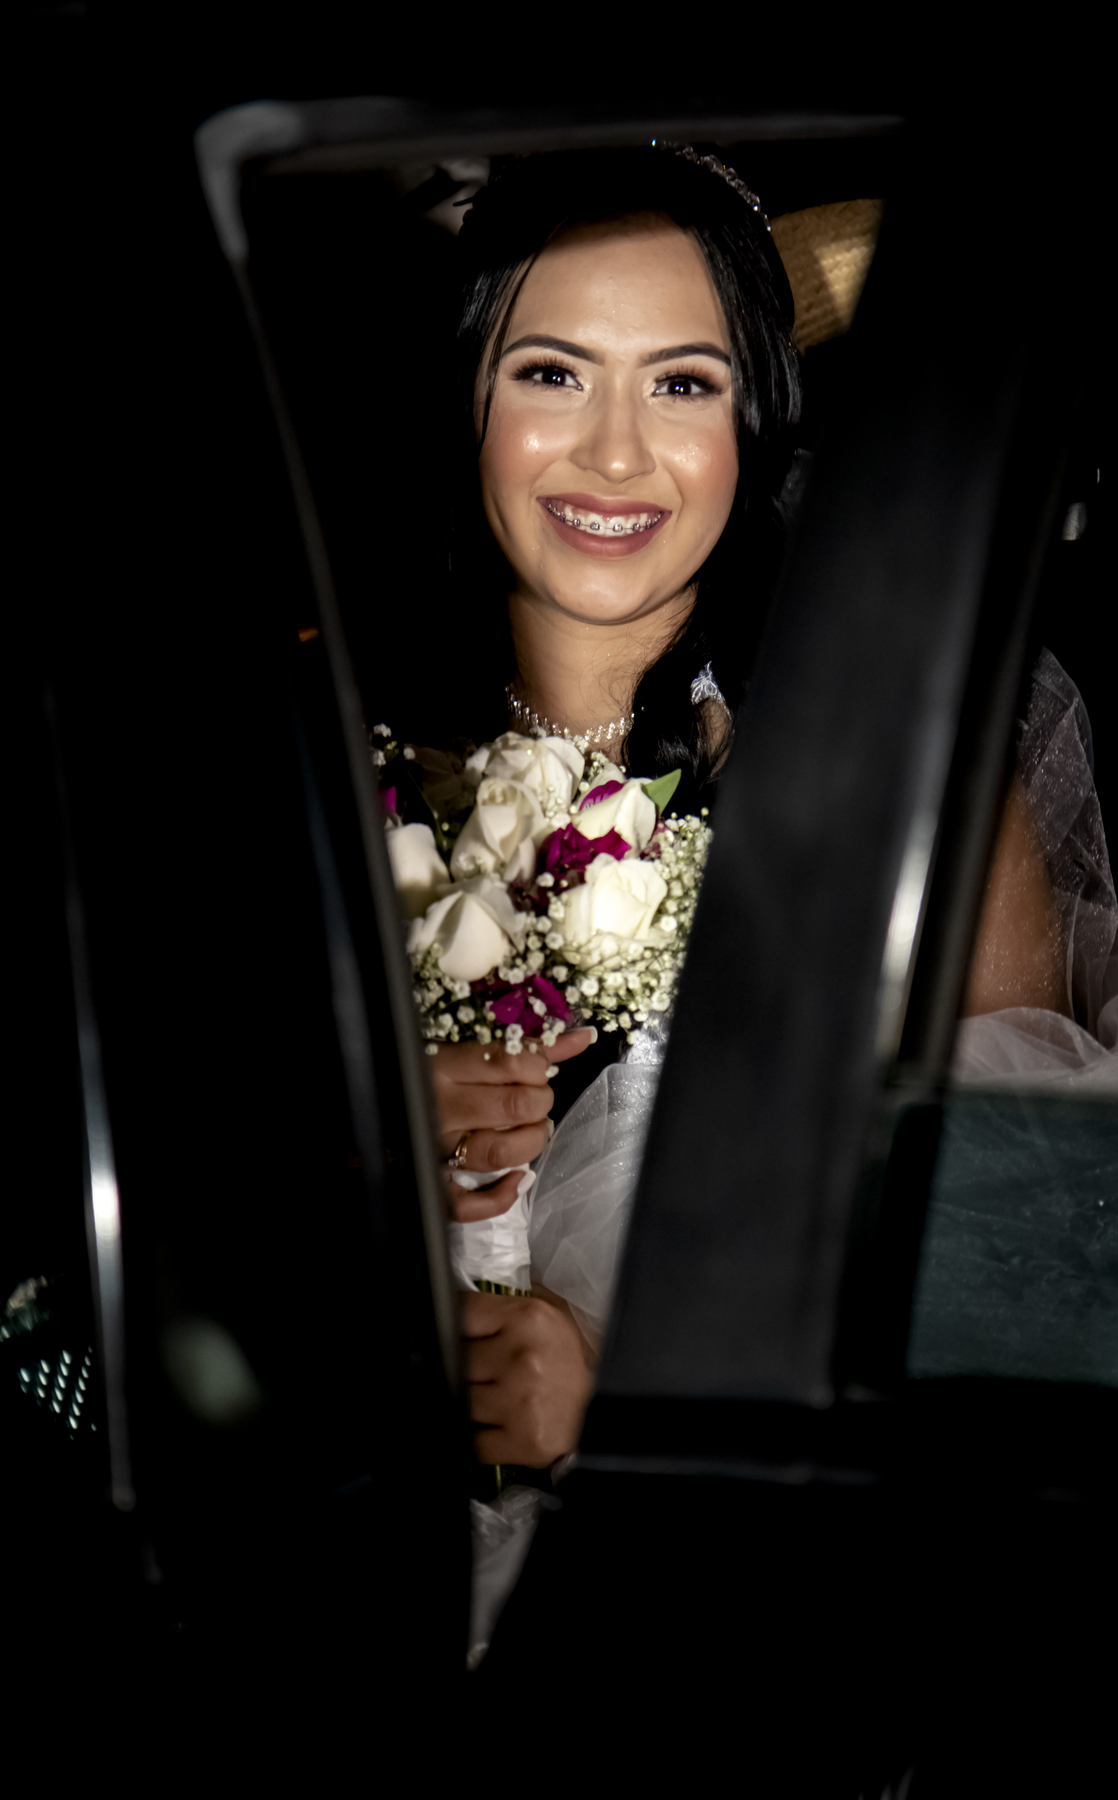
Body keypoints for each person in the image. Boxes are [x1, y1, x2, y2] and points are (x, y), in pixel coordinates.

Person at [381, 145, 1116, 1491]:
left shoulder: (910, 791)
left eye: (682, 383)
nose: (616, 453)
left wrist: (624, 1395)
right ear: (467, 396)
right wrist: (359, 1136)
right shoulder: (338, 775)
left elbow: (1043, 1274)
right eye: (552, 374)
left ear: (754, 420)